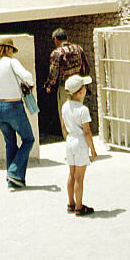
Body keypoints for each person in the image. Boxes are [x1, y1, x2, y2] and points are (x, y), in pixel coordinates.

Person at [0, 37, 35, 190]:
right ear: (8, 49)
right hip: (13, 106)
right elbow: (28, 77)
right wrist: (30, 85)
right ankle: (14, 172)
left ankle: (13, 181)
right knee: (28, 139)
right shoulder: (12, 62)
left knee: (10, 143)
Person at [61, 74, 98, 216]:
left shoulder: (65, 106)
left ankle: (70, 203)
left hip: (70, 140)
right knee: (79, 177)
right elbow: (87, 132)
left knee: (71, 174)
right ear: (81, 92)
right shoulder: (83, 110)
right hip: (80, 142)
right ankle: (79, 206)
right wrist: (93, 150)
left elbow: (64, 126)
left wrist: (68, 139)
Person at [44, 28, 90, 129]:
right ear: (67, 37)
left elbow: (54, 73)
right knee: (79, 113)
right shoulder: (78, 49)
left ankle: (69, 137)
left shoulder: (56, 53)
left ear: (56, 40)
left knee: (66, 116)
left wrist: (49, 85)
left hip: (65, 87)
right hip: (79, 86)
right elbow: (86, 66)